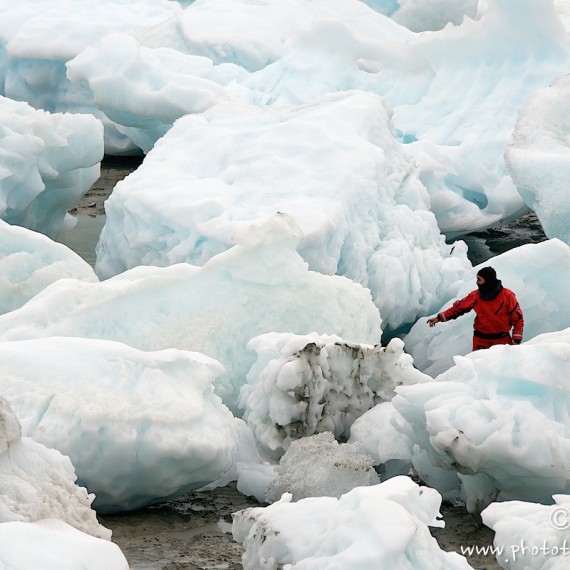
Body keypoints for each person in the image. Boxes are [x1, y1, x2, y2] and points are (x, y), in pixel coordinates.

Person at [427, 266, 524, 351]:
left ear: (488, 281)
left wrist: (516, 341)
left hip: (502, 341)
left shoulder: (507, 296)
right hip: (481, 341)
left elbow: (518, 320)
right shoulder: (475, 296)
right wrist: (439, 318)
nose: (477, 282)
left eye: (479, 279)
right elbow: (458, 308)